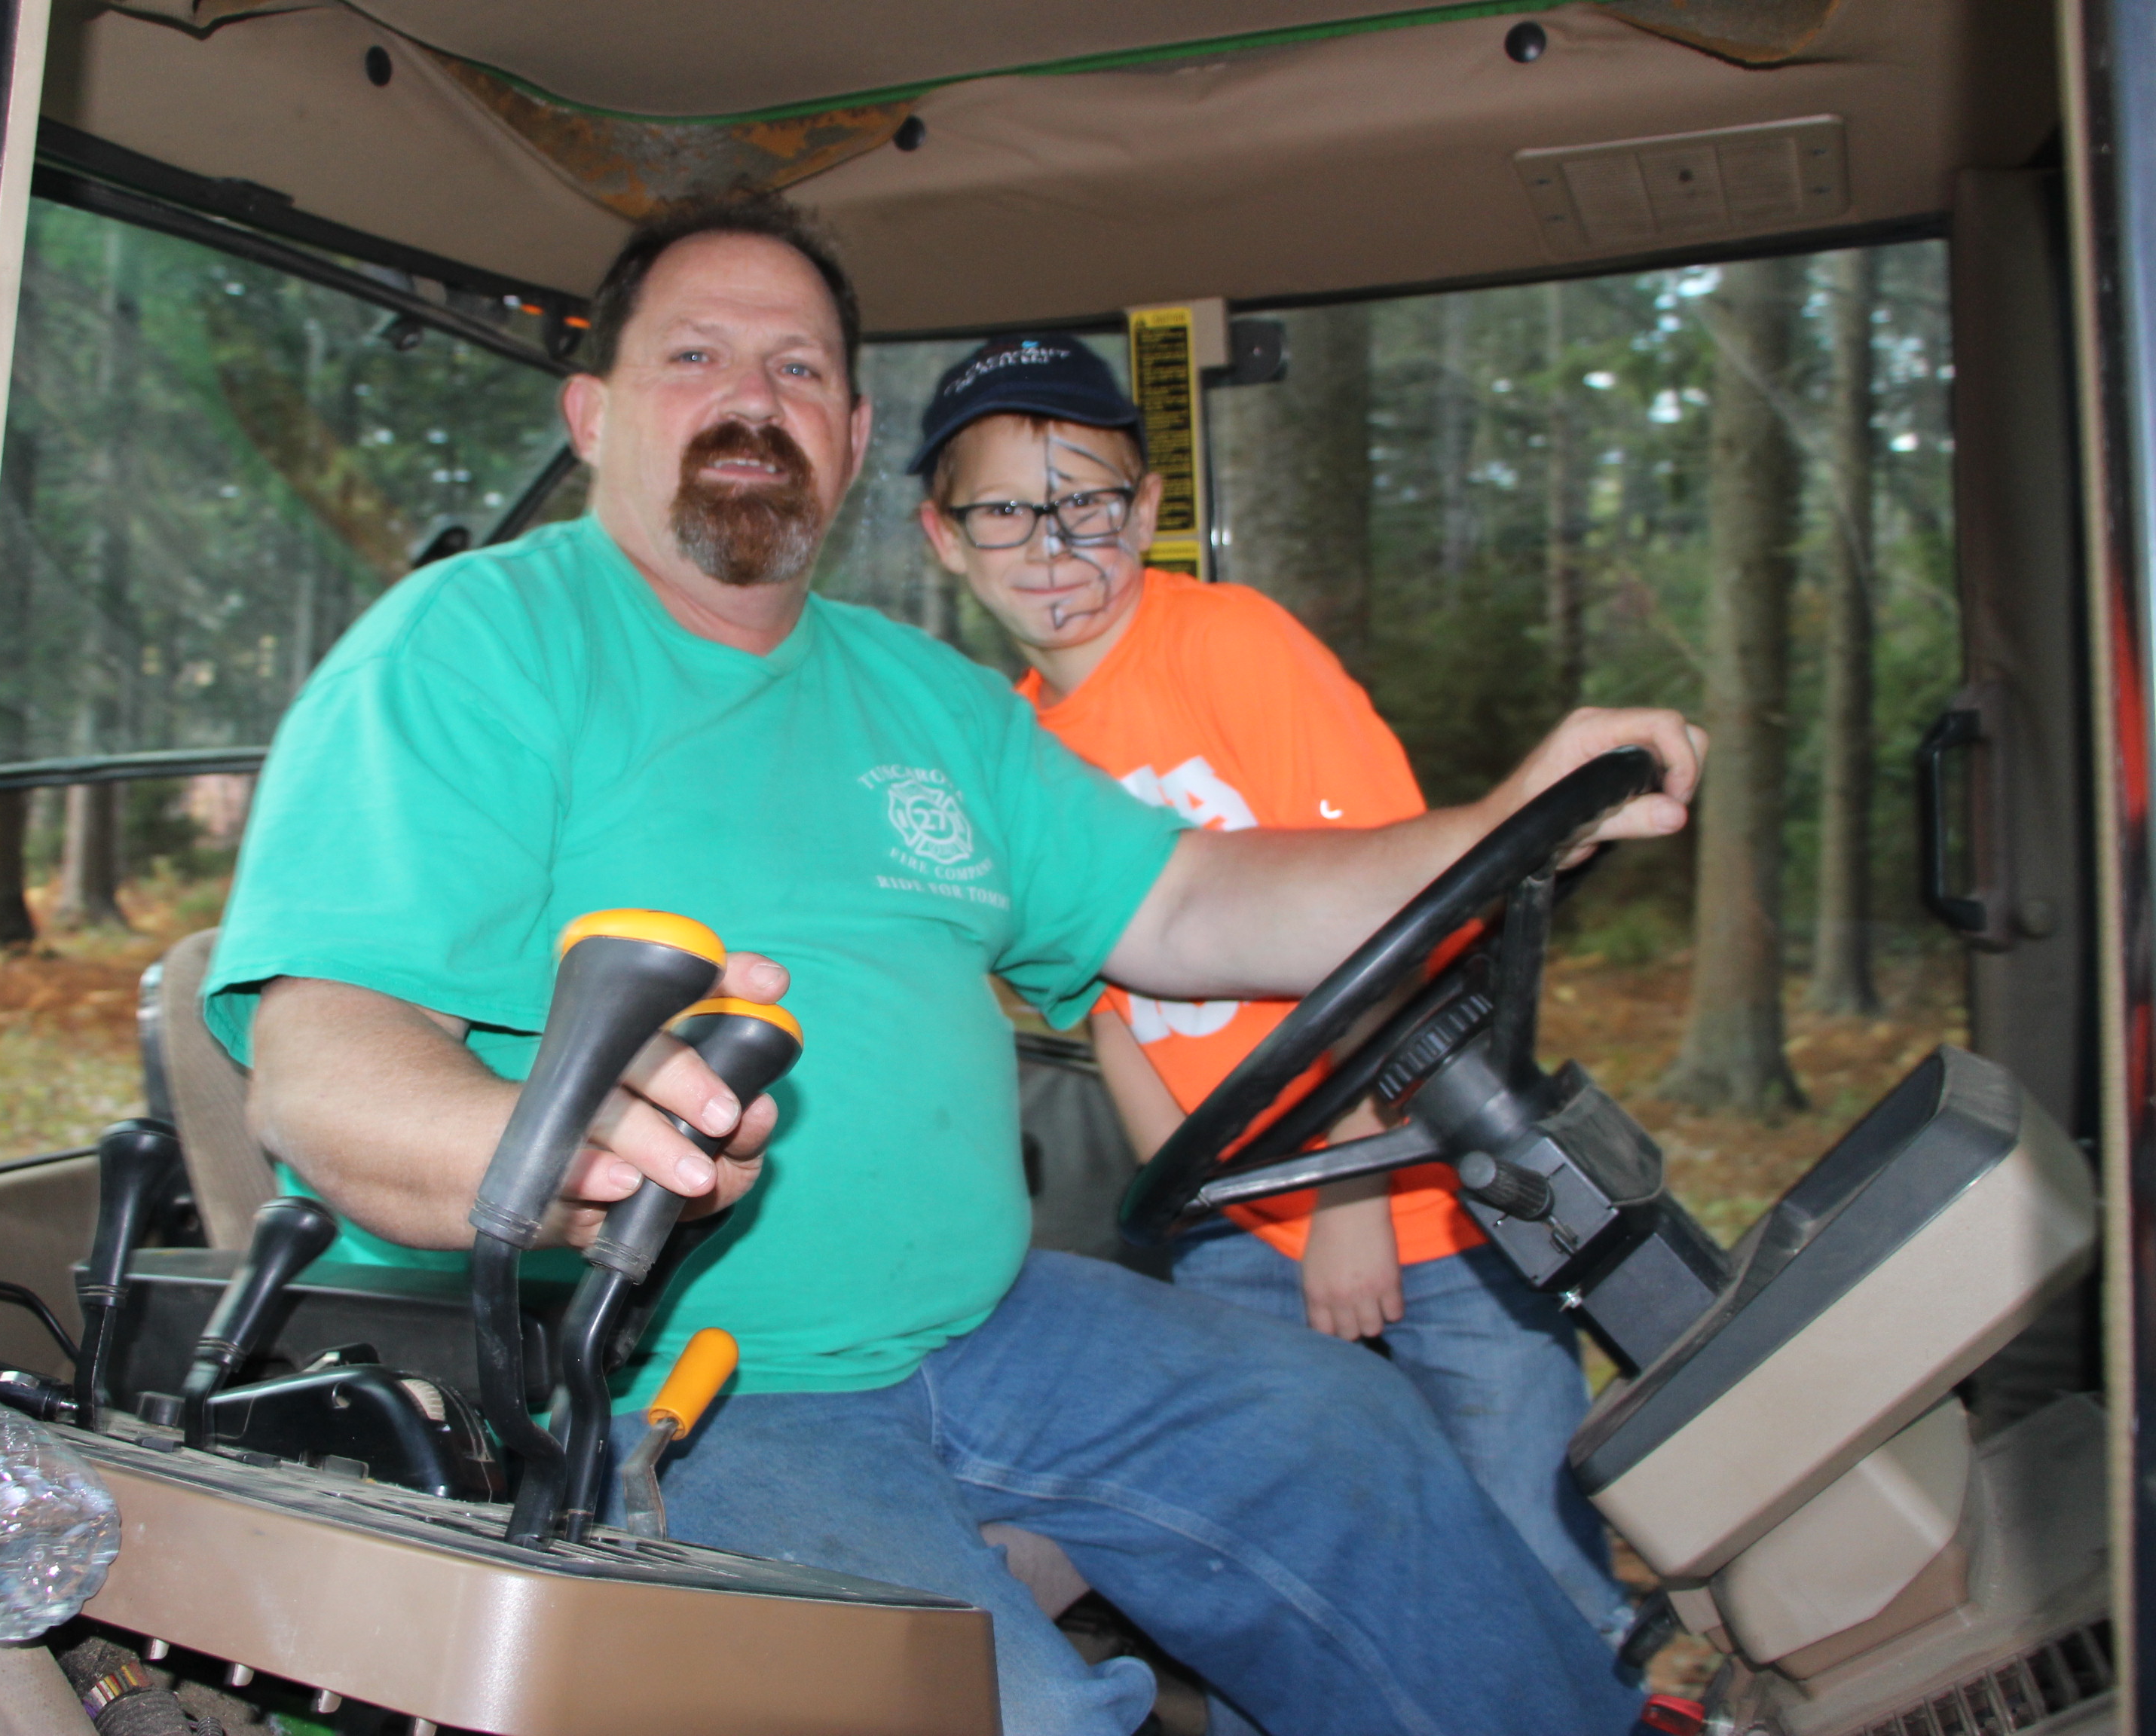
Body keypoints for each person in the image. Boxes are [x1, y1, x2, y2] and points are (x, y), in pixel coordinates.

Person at [206, 190, 1702, 1736]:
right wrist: (548, 1157)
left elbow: (1193, 899)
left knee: (1353, 1434)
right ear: (592, 415)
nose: (752, 398)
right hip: (668, 1386)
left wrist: (1508, 825)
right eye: (696, 355)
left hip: (992, 1325)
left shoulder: (931, 700)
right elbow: (324, 1061)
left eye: (798, 370)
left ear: (853, 439)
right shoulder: (471, 645)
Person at [910, 336, 1635, 1649]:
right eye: (1005, 510)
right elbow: (1114, 1016)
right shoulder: (1018, 755)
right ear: (945, 538)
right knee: (1275, 1581)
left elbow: (1392, 933)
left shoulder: (1231, 647)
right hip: (1237, 1220)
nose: (1054, 546)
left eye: (1087, 504)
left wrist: (1348, 1197)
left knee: (1529, 1557)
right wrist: (1184, 1220)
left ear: (1144, 509)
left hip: (1415, 1187)